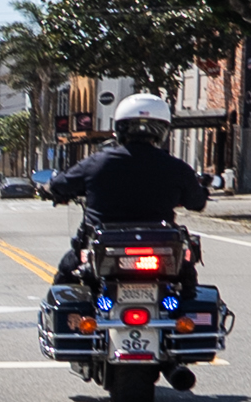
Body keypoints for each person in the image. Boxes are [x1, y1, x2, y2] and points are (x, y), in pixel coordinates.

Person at [47, 93, 208, 285]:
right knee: (188, 283)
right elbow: (197, 202)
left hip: (104, 249)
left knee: (66, 274)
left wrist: (51, 188)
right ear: (163, 129)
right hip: (161, 249)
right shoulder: (177, 168)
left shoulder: (97, 163)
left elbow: (59, 185)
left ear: (120, 128)